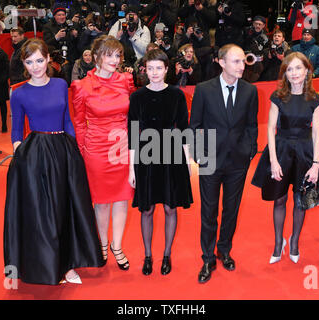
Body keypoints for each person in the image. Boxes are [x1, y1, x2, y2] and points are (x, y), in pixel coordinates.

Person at [4, 38, 105, 285]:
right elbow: (16, 131)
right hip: (35, 156)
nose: (35, 66)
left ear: (49, 58)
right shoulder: (18, 93)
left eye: (40, 60)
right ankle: (50, 267)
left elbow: (68, 119)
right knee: (43, 214)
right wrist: (22, 158)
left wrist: (73, 149)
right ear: (23, 64)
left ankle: (69, 266)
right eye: (29, 62)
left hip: (63, 151)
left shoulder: (61, 85)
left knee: (65, 209)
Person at [252, 52, 319, 264]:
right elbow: (270, 128)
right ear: (285, 73)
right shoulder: (278, 96)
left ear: (307, 71)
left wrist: (315, 164)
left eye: (298, 68)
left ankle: (294, 241)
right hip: (282, 149)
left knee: (300, 200)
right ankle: (279, 243)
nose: (294, 73)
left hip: (305, 152)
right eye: (290, 69)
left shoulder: (314, 98)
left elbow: (315, 133)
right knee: (279, 199)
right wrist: (273, 160)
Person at [190, 44, 258, 283]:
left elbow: (251, 124)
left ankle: (224, 250)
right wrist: (199, 154)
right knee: (208, 212)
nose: (242, 65)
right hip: (210, 159)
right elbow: (195, 125)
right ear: (221, 62)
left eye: (243, 61)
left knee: (231, 210)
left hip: (238, 162)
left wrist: (250, 149)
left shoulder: (250, 91)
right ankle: (207, 257)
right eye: (236, 61)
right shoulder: (203, 90)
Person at [71, 35, 134, 270]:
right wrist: (82, 149)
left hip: (122, 146)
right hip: (96, 148)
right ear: (96, 56)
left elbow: (132, 115)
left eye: (117, 55)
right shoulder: (81, 86)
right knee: (102, 202)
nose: (114, 59)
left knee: (121, 198)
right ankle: (103, 245)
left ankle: (117, 247)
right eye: (109, 54)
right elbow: (78, 122)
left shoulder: (126, 80)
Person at [128, 49, 193, 275]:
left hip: (172, 153)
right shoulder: (136, 97)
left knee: (169, 207)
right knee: (146, 209)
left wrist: (187, 161)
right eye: (150, 68)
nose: (154, 73)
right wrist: (131, 169)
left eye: (159, 68)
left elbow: (184, 129)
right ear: (145, 70)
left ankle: (166, 255)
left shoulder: (177, 95)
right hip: (145, 154)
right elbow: (132, 133)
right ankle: (148, 256)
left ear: (167, 70)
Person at [0, 34, 9, 133]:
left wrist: (1, 80)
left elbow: (7, 69)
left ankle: (4, 125)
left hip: (1, 84)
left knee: (2, 104)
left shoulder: (2, 54)